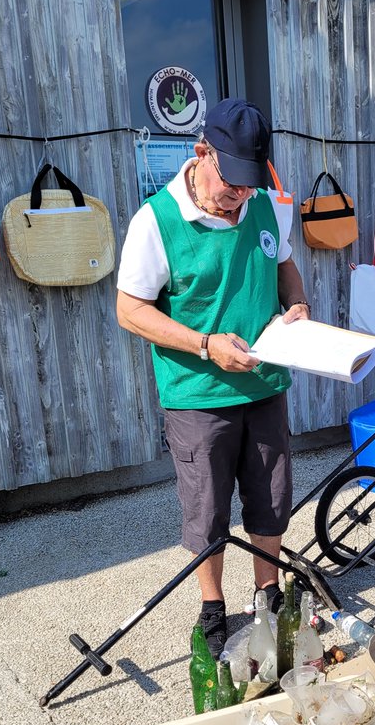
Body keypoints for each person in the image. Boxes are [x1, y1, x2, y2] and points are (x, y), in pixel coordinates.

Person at [116, 98, 311, 655]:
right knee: (206, 507)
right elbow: (130, 310)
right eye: (232, 185)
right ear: (202, 153)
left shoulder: (266, 206)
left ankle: (267, 595)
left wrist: (295, 304)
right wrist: (205, 345)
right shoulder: (156, 220)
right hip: (198, 394)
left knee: (272, 497)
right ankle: (211, 604)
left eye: (251, 186)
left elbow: (284, 267)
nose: (239, 198)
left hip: (265, 385)